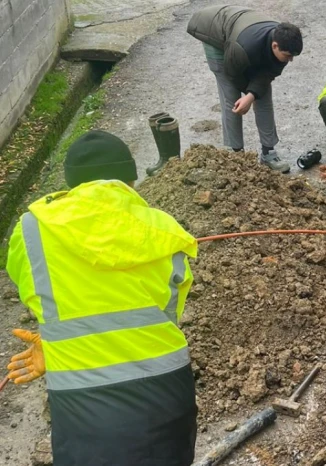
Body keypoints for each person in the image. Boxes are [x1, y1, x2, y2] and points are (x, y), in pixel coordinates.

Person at [5, 130, 199, 466]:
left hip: (84, 407)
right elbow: (165, 317)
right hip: (168, 396)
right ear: (129, 181)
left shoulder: (31, 230)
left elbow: (34, 292)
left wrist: (63, 345)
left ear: (71, 185)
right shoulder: (166, 231)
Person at [187, 5, 303, 173]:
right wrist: (248, 97)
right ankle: (235, 153)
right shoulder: (242, 48)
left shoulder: (284, 44)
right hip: (216, 32)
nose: (290, 60)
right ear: (275, 46)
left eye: (293, 56)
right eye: (288, 56)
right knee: (231, 98)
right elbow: (233, 75)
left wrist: (252, 95)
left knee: (262, 95)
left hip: (242, 30)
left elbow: (267, 75)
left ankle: (268, 152)